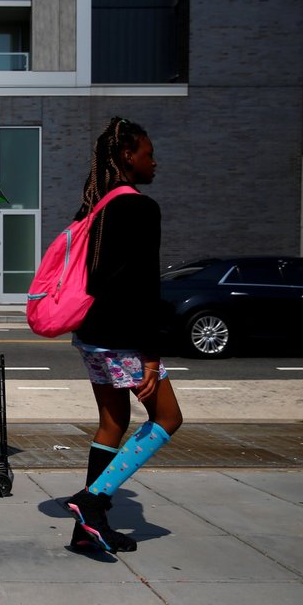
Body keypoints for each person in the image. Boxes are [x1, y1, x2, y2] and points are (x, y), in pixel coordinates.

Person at [64, 117, 183, 553]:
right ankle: (92, 501)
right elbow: (143, 287)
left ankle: (86, 530)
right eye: (149, 154)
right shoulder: (139, 207)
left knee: (112, 423)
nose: (155, 162)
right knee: (168, 418)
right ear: (127, 156)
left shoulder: (93, 207)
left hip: (90, 332)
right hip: (124, 338)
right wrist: (151, 355)